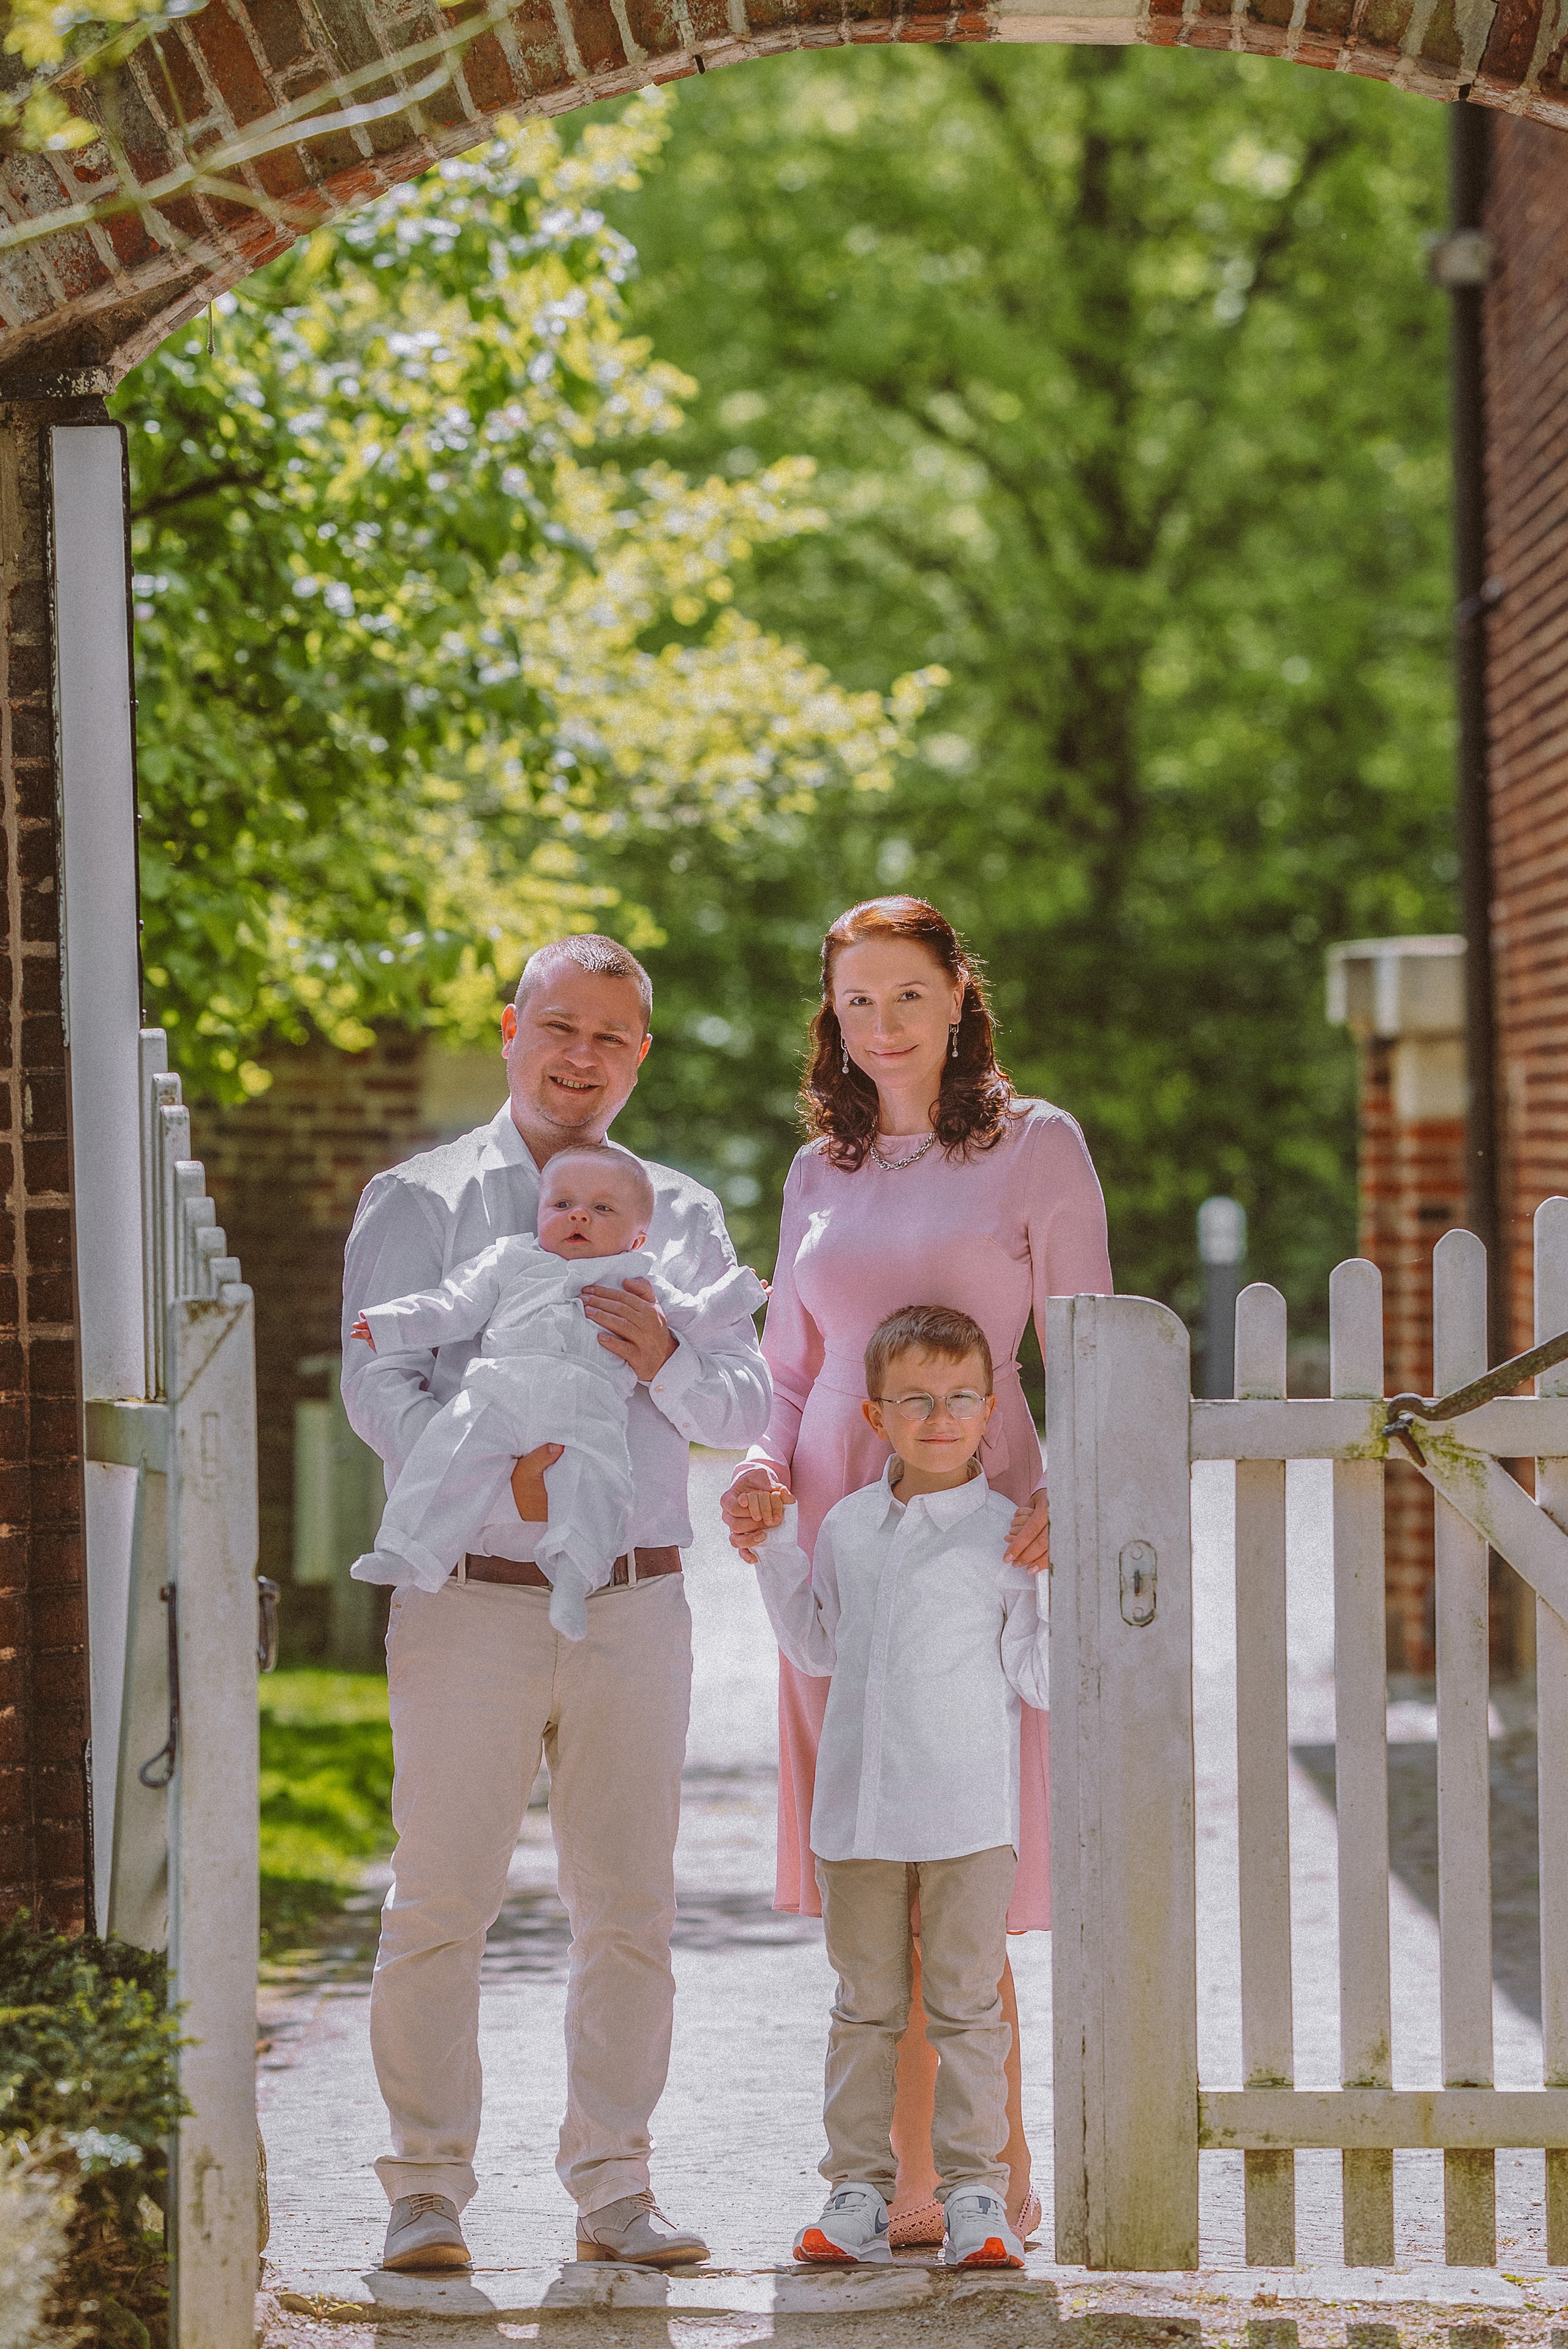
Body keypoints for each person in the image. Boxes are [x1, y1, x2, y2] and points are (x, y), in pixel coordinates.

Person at [342, 934, 771, 2275]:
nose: (581, 1058)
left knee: (630, 1907)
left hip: (636, 1602)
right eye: (559, 1027)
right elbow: (375, 1382)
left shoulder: (679, 1211)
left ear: (639, 1056)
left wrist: (666, 1359)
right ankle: (425, 2187)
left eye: (610, 1038)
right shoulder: (418, 1200)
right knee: (439, 1899)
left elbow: (741, 1402)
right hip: (469, 1600)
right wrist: (495, 1476)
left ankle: (615, 2186)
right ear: (512, 1027)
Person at [722, 896, 1112, 2245]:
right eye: (856, 1001)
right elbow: (788, 1370)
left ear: (957, 997)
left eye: (906, 994)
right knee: (868, 1844)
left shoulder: (1035, 1143)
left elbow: (1085, 1341)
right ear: (831, 1019)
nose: (881, 1023)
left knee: (960, 1843)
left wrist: (1067, 1490)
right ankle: (891, 2176)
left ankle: (988, 2168)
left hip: (977, 1517)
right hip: (841, 1523)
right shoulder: (816, 1169)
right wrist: (762, 1469)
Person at [753, 1304, 1048, 2271]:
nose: (940, 1416)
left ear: (991, 1411)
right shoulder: (846, 1526)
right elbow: (816, 1646)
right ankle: (856, 2190)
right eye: (915, 1399)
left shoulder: (1007, 1536)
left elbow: (1039, 1675)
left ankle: (977, 2195)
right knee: (864, 2009)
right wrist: (776, 1551)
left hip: (968, 1815)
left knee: (967, 2008)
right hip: (858, 1816)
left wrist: (1062, 1576)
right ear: (875, 1415)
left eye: (961, 1397)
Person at [347, 1145, 766, 1638]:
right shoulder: (510, 1260)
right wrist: (392, 1324)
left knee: (599, 1480)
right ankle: (404, 1549)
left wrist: (741, 1295)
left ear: (637, 1238)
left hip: (589, 1406)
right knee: (447, 1452)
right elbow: (453, 1307)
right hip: (499, 1391)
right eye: (562, 1205)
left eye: (602, 1209)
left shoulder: (637, 1278)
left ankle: (573, 1581)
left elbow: (696, 1314)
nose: (579, 1215)